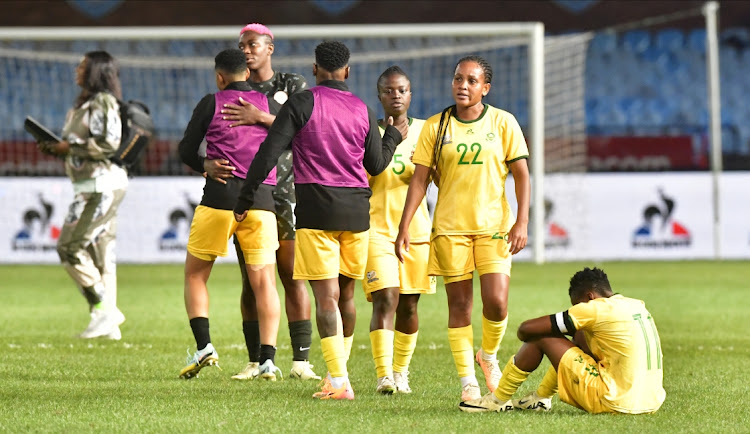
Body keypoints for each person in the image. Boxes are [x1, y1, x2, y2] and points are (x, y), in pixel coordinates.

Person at [233, 40, 407, 400]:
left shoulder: (302, 101)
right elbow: (376, 165)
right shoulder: (360, 108)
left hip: (317, 211)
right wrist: (391, 137)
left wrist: (246, 195)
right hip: (358, 213)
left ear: (314, 70)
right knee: (346, 295)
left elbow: (269, 151)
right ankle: (336, 374)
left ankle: (340, 381)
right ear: (347, 71)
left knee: (325, 296)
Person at [395, 55, 531, 402]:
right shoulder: (436, 126)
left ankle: (487, 356)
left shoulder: (503, 123)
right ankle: (467, 380)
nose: (463, 86)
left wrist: (522, 220)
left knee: (497, 303)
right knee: (459, 307)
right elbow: (420, 180)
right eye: (458, 79)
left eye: (472, 81)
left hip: (493, 227)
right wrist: (405, 226)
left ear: (486, 87)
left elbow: (522, 175)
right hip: (450, 229)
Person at [214, 23, 319, 381]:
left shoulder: (292, 86)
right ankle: (256, 360)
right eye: (242, 45)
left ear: (270, 48)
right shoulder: (232, 89)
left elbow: (308, 133)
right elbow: (216, 134)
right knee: (251, 281)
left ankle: (301, 360)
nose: (246, 50)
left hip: (287, 193)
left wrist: (262, 118)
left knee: (292, 275)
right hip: (250, 195)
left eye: (253, 44)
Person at [177, 48, 282, 380]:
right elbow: (293, 137)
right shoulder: (268, 106)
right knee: (264, 281)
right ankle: (267, 360)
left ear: (220, 77)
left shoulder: (212, 102)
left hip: (220, 199)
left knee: (196, 275)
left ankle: (205, 347)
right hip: (262, 201)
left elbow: (185, 149)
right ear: (248, 74)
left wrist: (205, 165)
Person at [459, 267, 666, 414]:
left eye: (577, 304)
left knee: (541, 336)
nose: (577, 308)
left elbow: (526, 329)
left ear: (590, 296)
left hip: (615, 401)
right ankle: (540, 399)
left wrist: (538, 335)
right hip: (651, 401)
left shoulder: (594, 308)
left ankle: (498, 400)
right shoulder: (636, 305)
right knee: (580, 334)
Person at [40, 51, 128, 340]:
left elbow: (109, 143)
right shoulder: (84, 105)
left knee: (69, 247)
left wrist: (70, 148)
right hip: (87, 186)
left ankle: (105, 309)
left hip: (101, 186)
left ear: (95, 71)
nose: (77, 70)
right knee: (100, 255)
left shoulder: (103, 102)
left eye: (82, 66)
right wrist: (59, 148)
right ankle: (107, 323)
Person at [364, 66, 435, 395]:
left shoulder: (427, 132)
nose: (396, 95)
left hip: (417, 232)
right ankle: (383, 376)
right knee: (386, 299)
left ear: (410, 94)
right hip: (376, 229)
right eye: (389, 91)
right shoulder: (368, 133)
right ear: (379, 96)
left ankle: (401, 372)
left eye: (402, 90)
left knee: (409, 305)